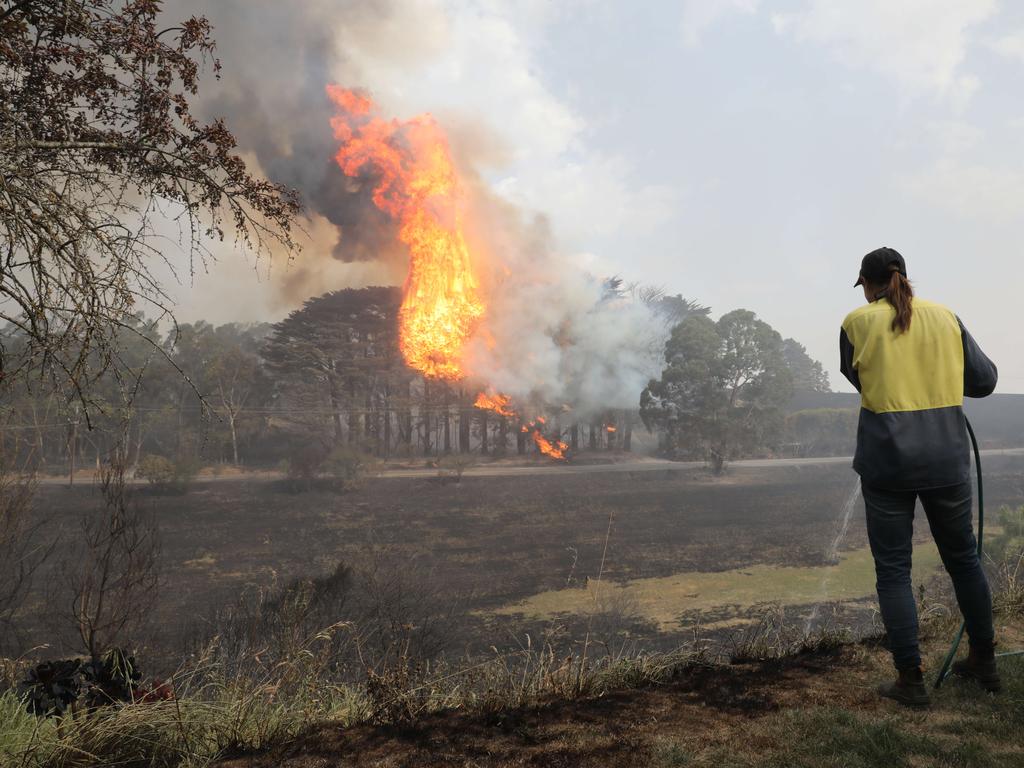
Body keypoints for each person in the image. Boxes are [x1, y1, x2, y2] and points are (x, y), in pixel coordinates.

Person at [840, 247, 999, 707]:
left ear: (869, 284)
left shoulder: (856, 322)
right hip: (946, 460)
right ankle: (984, 663)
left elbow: (861, 380)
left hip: (887, 464)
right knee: (963, 559)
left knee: (893, 571)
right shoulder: (946, 316)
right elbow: (985, 381)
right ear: (904, 277)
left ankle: (911, 681)